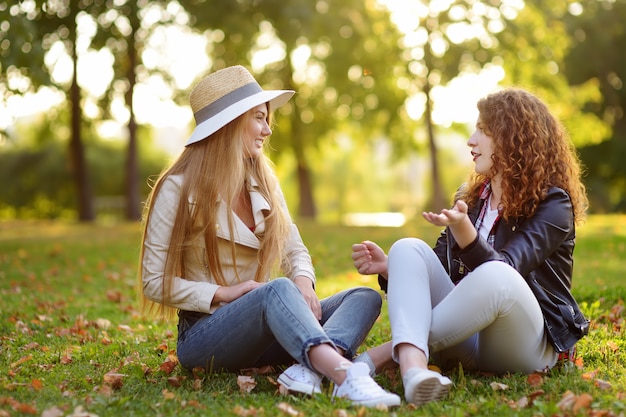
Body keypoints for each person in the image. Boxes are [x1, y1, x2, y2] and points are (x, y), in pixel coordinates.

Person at [139, 65, 400, 408]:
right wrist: (226, 292)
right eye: (259, 118)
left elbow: (294, 250)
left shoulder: (263, 181)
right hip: (206, 335)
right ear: (229, 123)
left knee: (364, 298)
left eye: (267, 120)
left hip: (269, 326)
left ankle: (307, 369)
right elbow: (153, 281)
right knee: (277, 289)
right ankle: (344, 375)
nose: (266, 130)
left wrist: (305, 283)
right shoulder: (176, 189)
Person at [351, 88, 590, 407]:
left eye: (484, 131)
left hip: (522, 343)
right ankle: (414, 373)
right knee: (407, 249)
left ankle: (374, 359)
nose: (471, 140)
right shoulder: (471, 199)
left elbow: (507, 271)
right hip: (464, 340)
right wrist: (388, 268)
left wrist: (465, 233)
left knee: (497, 276)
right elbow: (437, 272)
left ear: (513, 139)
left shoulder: (553, 203)